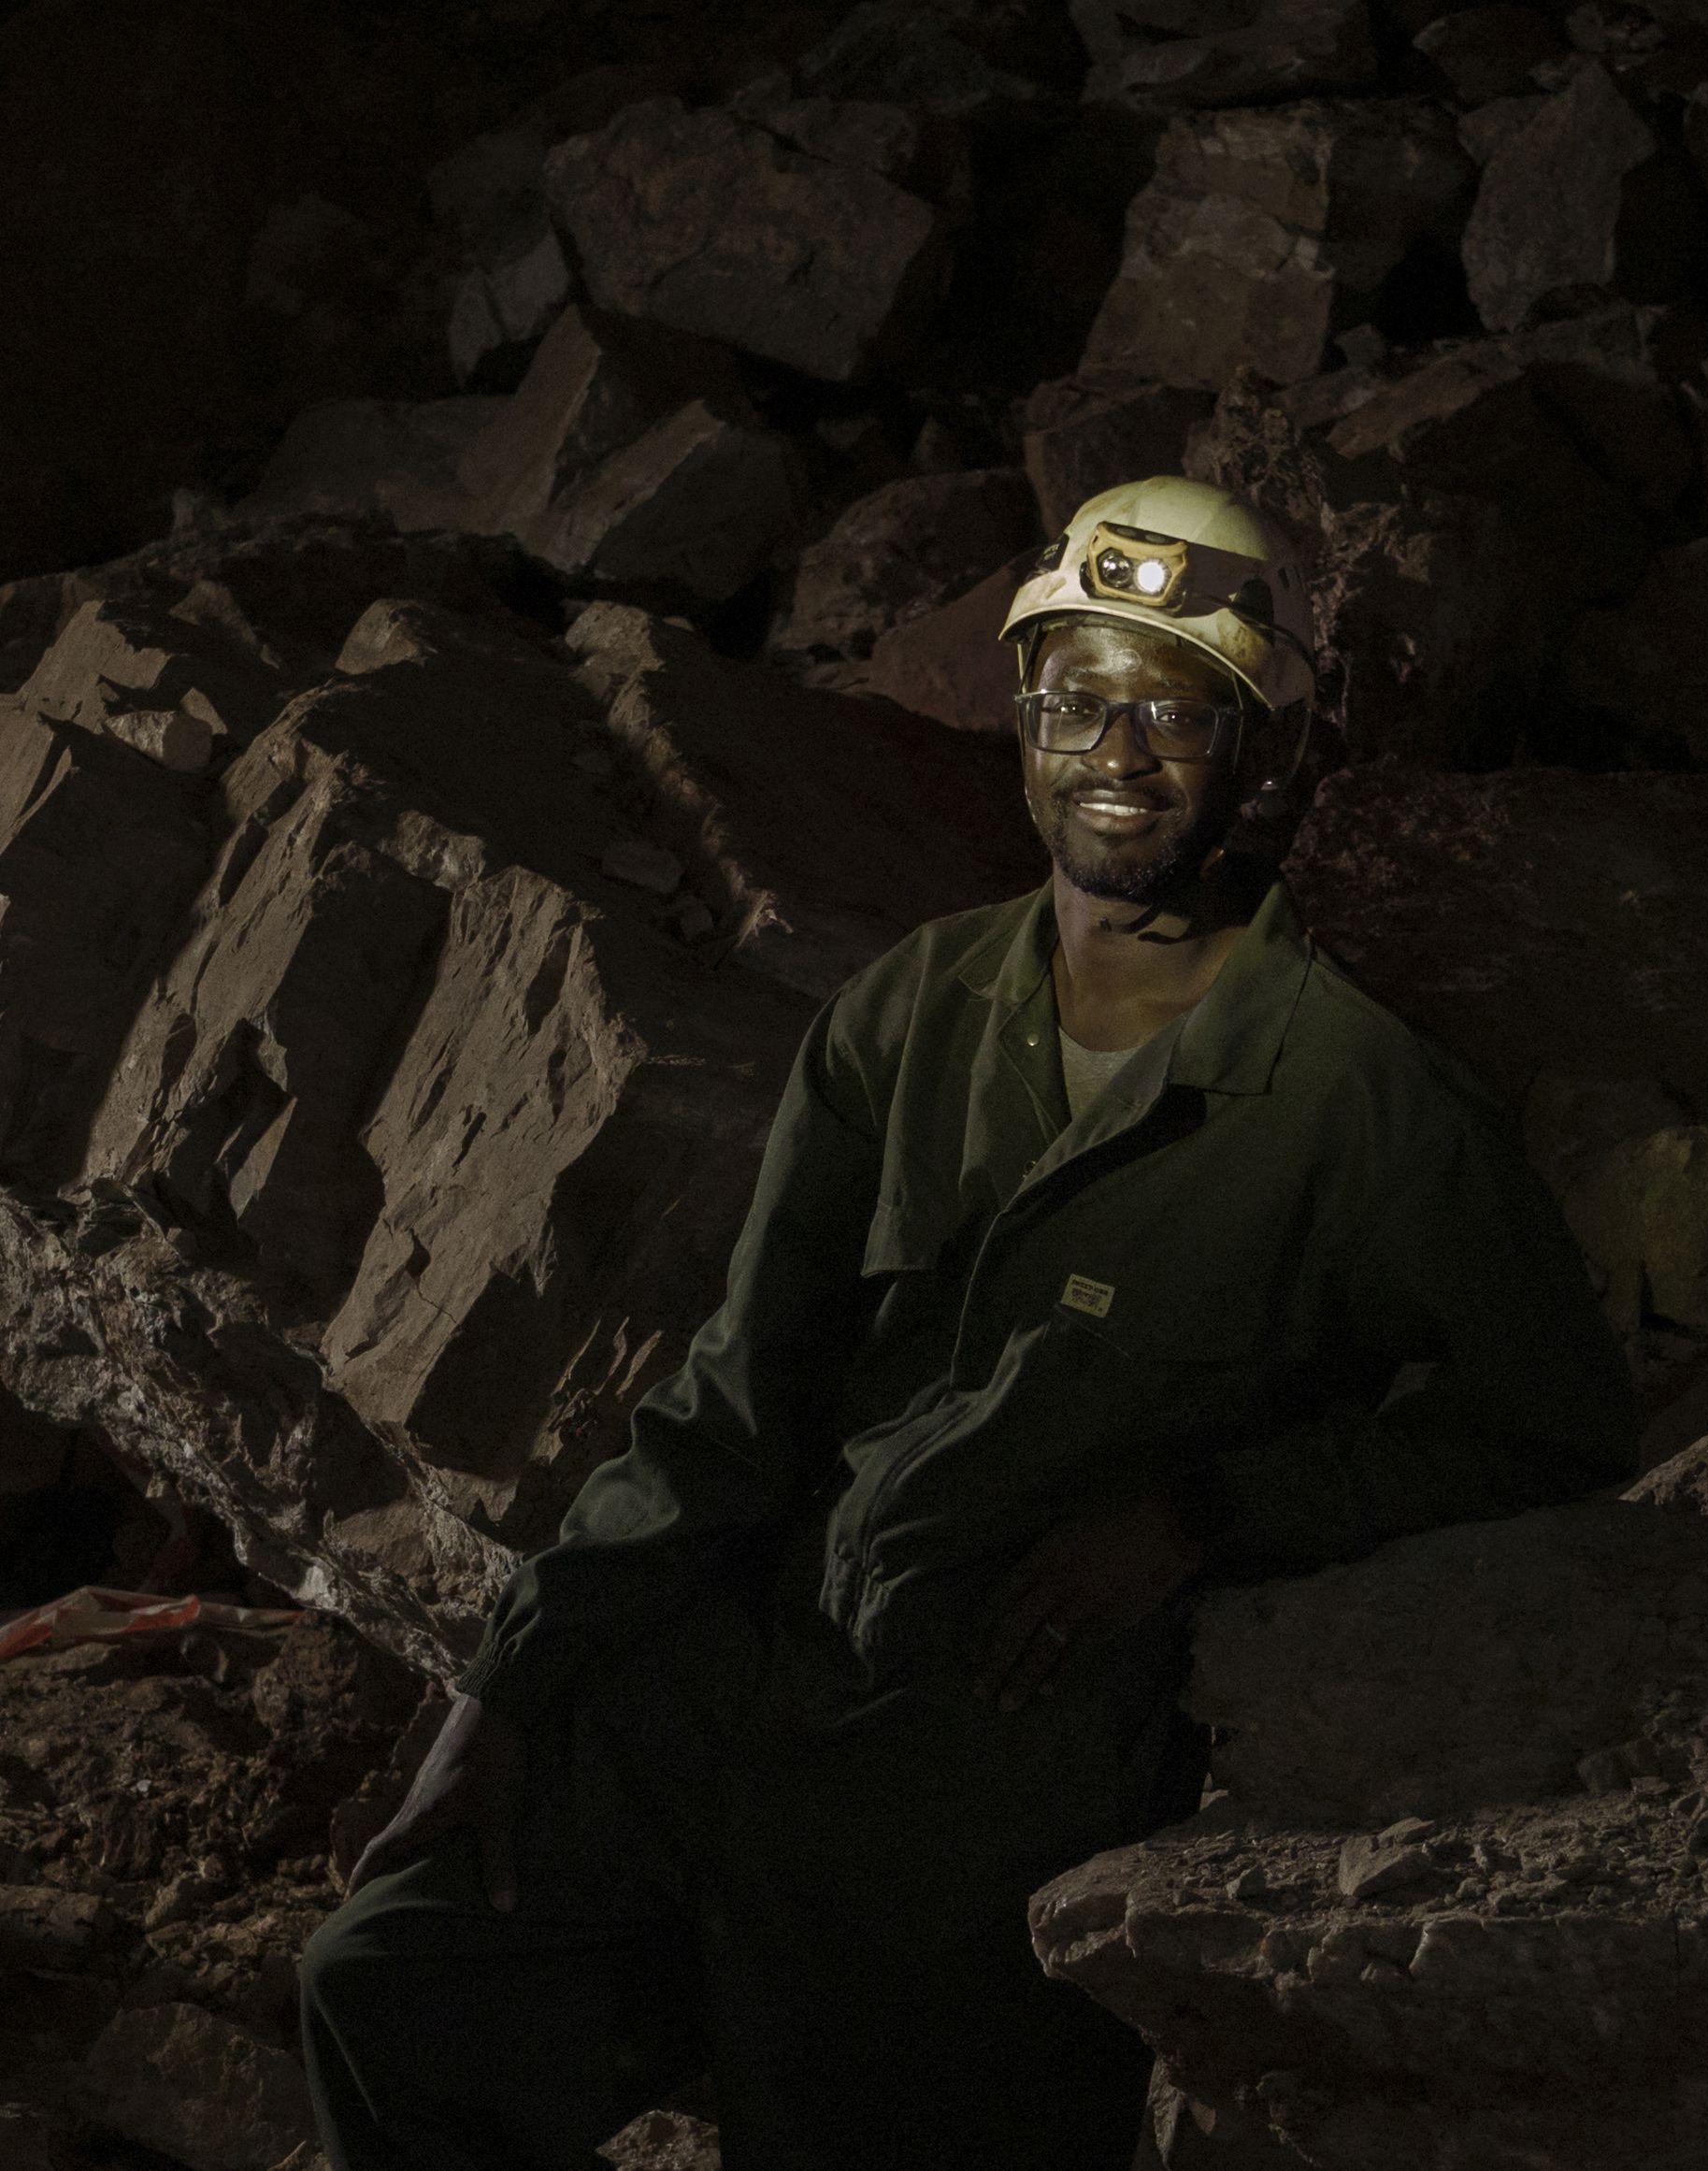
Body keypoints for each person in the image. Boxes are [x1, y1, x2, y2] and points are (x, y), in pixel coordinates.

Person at [299, 476, 1638, 2170]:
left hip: (976, 1782)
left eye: (1175, 709)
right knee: (390, 1985)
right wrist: (508, 1688)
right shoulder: (912, 1013)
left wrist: (1200, 1515)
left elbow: (1549, 1418)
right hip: (746, 1688)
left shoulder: (1358, 1105)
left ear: (1266, 751)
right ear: (1022, 719)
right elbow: (732, 1402)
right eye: (1079, 697)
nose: (1118, 753)